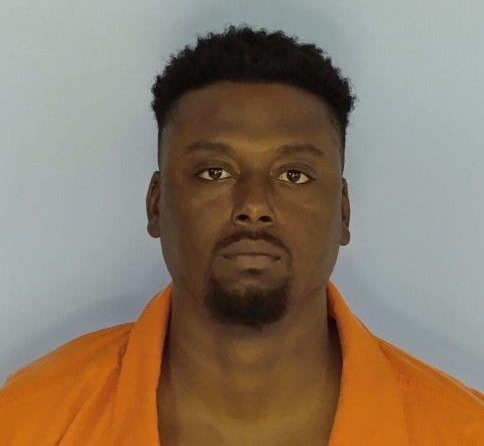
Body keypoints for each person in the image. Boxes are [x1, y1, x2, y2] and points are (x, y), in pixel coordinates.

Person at [1, 25, 482, 445]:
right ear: (156, 204)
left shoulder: (462, 430)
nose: (254, 205)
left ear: (343, 213)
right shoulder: (25, 423)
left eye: (294, 175)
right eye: (215, 172)